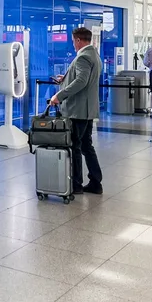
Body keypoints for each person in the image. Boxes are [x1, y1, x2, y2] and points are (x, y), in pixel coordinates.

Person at [50, 27, 103, 195]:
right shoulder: (94, 55)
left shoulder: (83, 57)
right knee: (87, 146)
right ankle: (95, 182)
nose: (73, 44)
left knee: (76, 147)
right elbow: (83, 79)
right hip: (87, 110)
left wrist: (60, 95)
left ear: (79, 40)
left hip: (77, 111)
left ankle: (77, 184)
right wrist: (64, 79)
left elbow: (81, 81)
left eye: (73, 41)